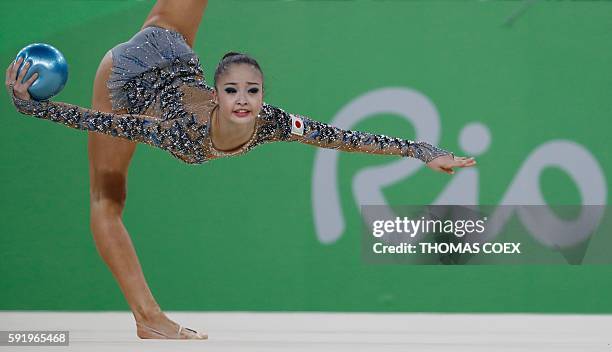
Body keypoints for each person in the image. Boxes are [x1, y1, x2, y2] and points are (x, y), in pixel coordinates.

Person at [5, 0, 476, 340]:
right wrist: (34, 108)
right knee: (107, 200)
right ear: (216, 94)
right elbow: (103, 120)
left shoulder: (269, 121)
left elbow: (342, 137)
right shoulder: (179, 132)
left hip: (169, 42)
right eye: (233, 92)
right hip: (125, 77)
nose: (244, 101)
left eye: (252, 91)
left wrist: (420, 149)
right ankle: (148, 317)